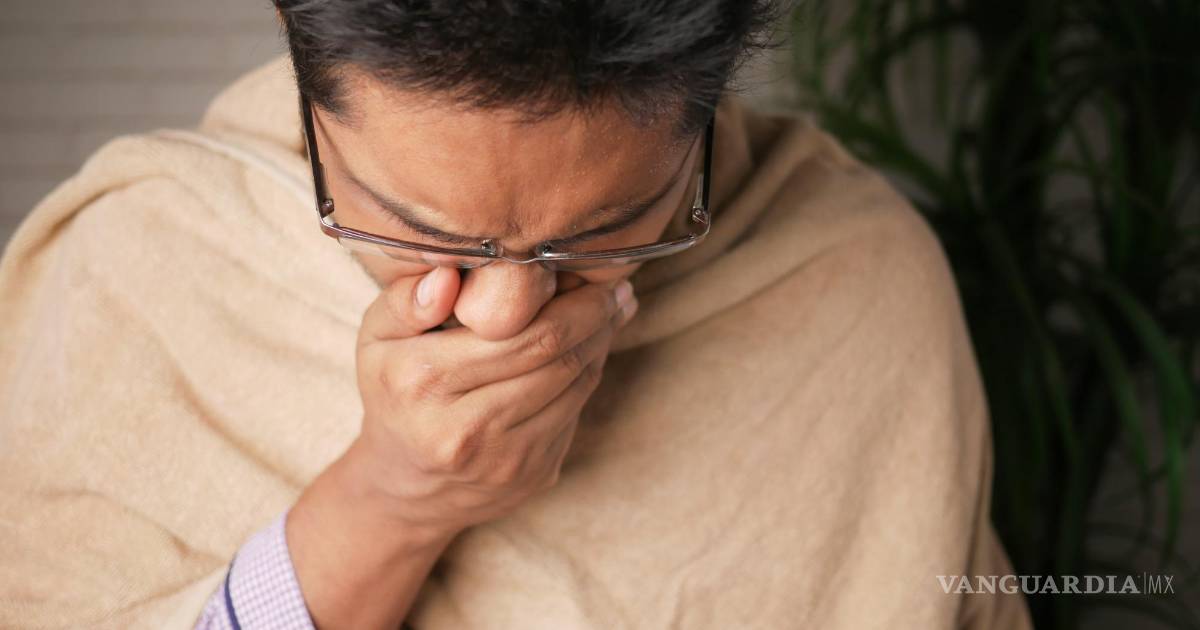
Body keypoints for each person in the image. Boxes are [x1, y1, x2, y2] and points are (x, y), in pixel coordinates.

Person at [0, 2, 1031, 629]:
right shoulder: (134, 271)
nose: (505, 317)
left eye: (614, 228)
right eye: (414, 227)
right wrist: (388, 504)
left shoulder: (856, 278)